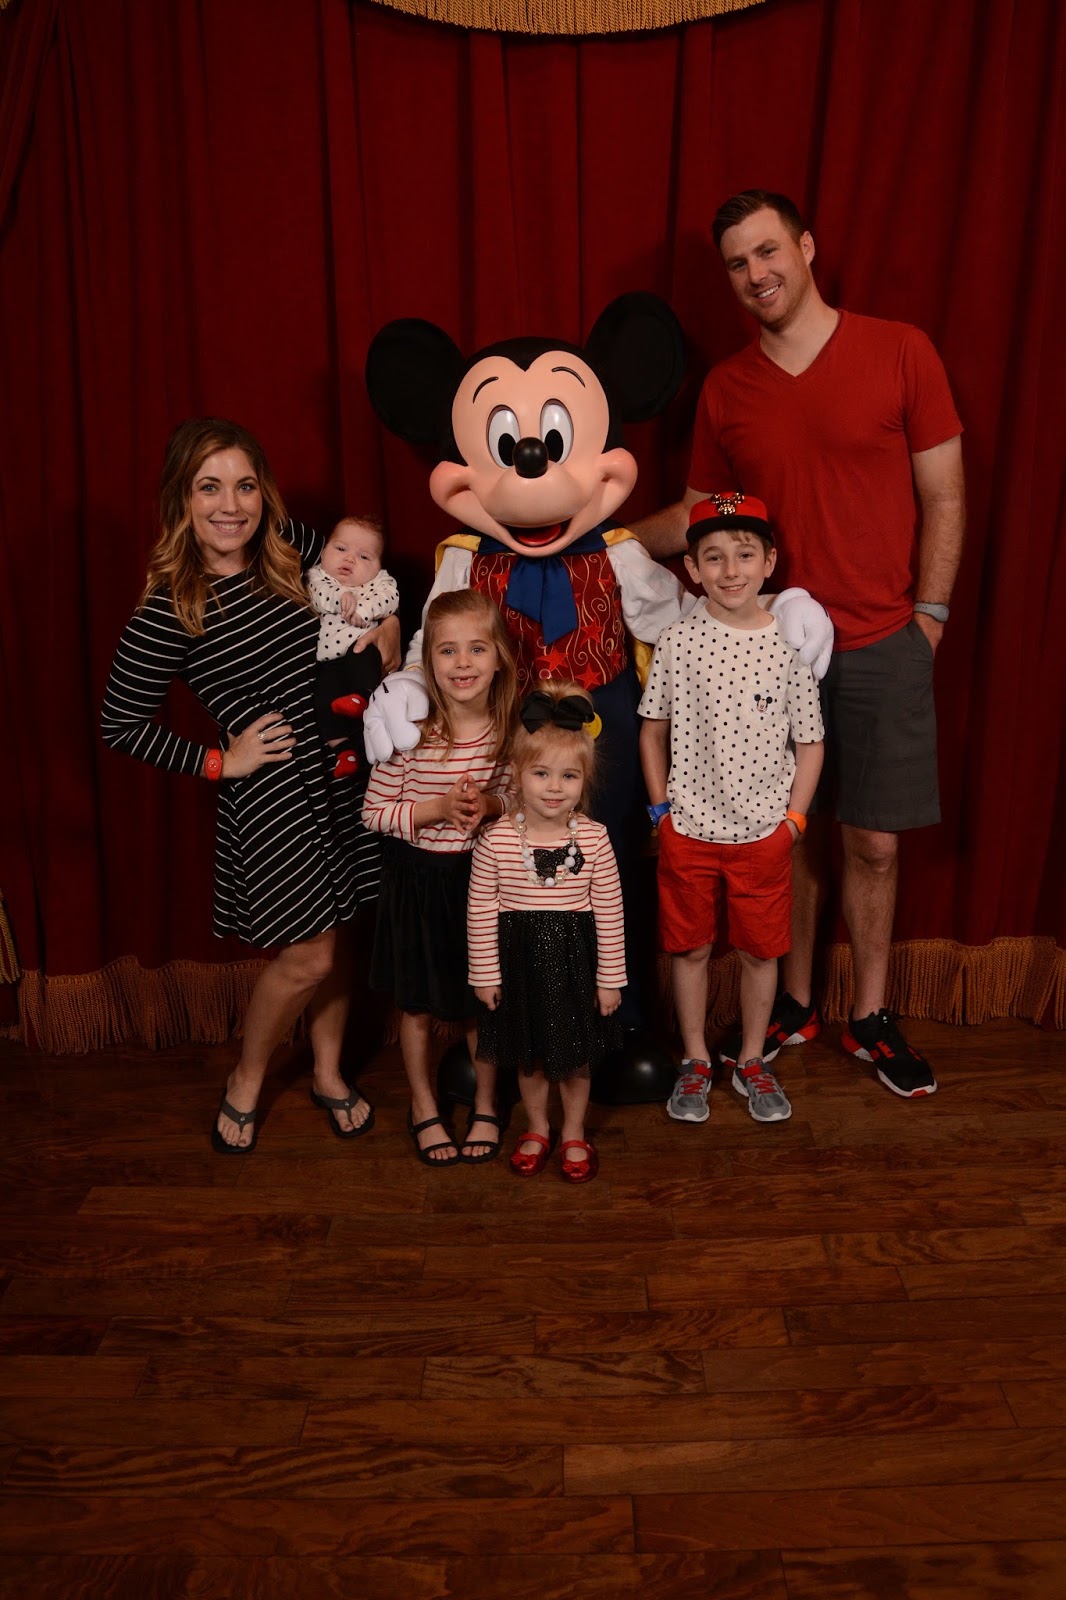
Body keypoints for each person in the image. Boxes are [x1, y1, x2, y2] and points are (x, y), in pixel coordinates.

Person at [634, 189, 965, 1097]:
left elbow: (944, 493)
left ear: (807, 247)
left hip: (885, 637)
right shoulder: (728, 388)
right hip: (764, 650)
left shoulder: (901, 350)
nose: (757, 274)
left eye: (768, 251)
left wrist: (930, 618)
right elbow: (698, 516)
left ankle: (872, 1016)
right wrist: (601, 539)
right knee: (788, 839)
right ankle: (797, 1001)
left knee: (874, 843)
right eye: (738, 263)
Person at [101, 418, 401, 1151]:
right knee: (309, 954)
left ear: (263, 493)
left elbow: (367, 584)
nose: (229, 505)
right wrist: (219, 762)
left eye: (244, 486)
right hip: (275, 793)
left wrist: (390, 628)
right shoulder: (169, 608)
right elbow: (119, 723)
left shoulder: (291, 547)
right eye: (209, 487)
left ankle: (327, 1071)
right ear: (182, 498)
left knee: (343, 929)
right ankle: (246, 1076)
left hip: (341, 769)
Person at [640, 494, 824, 1125]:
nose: (730, 570)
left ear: (769, 562)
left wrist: (793, 822)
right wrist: (661, 814)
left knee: (759, 952)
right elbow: (652, 732)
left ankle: (750, 1058)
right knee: (689, 949)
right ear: (692, 568)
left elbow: (811, 742)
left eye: (744, 555)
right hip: (688, 831)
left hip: (763, 834)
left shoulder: (788, 646)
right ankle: (695, 1057)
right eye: (713, 558)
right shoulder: (678, 641)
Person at [362, 589, 517, 1165]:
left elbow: (519, 800)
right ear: (428, 661)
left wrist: (491, 807)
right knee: (418, 1007)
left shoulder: (508, 730)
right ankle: (424, 1106)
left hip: (481, 886)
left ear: (499, 658)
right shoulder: (410, 731)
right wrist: (436, 810)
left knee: (483, 1002)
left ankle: (486, 1104)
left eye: (477, 648)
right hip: (418, 884)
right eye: (448, 651)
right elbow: (373, 813)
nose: (463, 663)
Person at [468, 683, 626, 1183]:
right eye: (541, 773)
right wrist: (485, 975)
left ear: (584, 780)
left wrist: (610, 980)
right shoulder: (495, 840)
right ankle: (537, 1127)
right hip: (518, 966)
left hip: (575, 966)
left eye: (569, 776)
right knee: (530, 1058)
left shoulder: (594, 839)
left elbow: (610, 912)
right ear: (516, 775)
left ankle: (574, 1131)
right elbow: (480, 911)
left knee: (575, 1060)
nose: (555, 787)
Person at [307, 515, 399, 777]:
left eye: (364, 556)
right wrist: (341, 597)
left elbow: (390, 598)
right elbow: (319, 595)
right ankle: (342, 750)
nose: (349, 559)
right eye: (341, 548)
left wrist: (365, 609)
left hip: (361, 649)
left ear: (379, 566)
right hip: (328, 661)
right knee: (322, 700)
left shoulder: (379, 582)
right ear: (324, 550)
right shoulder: (319, 576)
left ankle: (361, 696)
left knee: (364, 658)